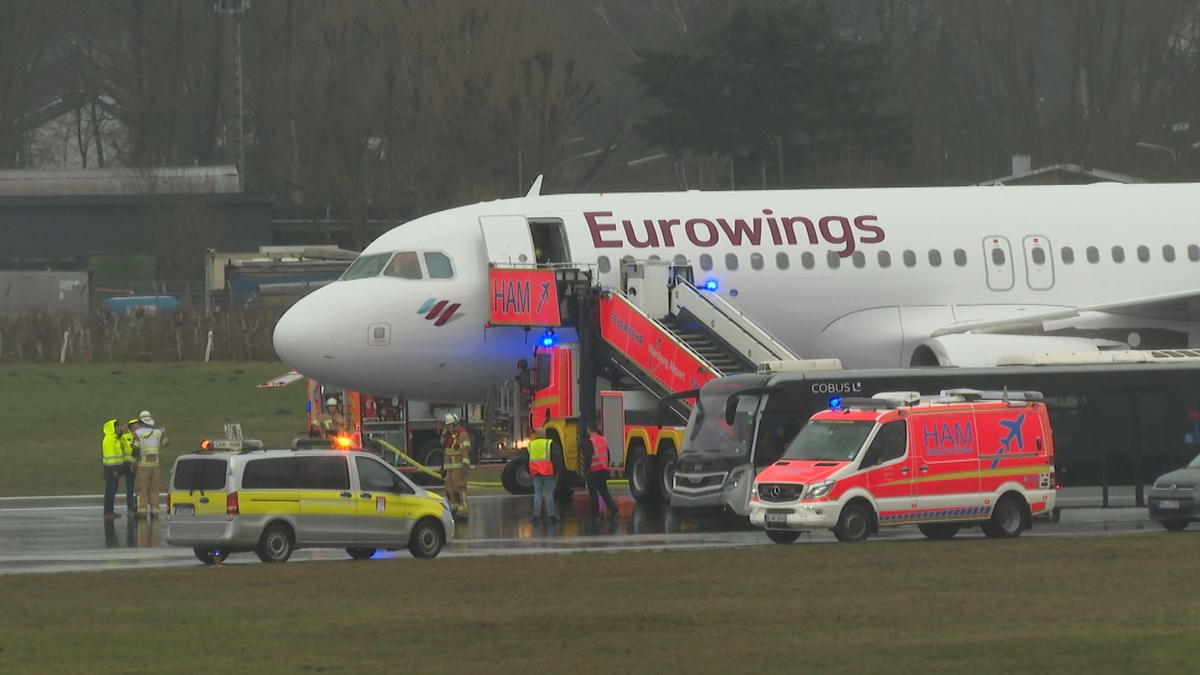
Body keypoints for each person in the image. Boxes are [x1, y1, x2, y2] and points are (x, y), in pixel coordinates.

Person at [133, 410, 169, 519]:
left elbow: (135, 450)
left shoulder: (138, 433)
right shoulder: (158, 433)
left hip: (143, 466)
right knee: (154, 490)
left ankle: (142, 513)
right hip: (155, 466)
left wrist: (133, 464)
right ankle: (155, 512)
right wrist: (162, 433)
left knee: (142, 490)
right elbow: (166, 443)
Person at [584, 421, 619, 520]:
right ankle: (614, 511)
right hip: (603, 469)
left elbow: (588, 457)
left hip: (593, 470)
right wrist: (605, 465)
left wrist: (586, 469)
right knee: (604, 491)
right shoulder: (603, 440)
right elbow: (608, 454)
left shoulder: (590, 441)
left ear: (588, 429)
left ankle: (595, 515)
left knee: (593, 493)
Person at [441, 413, 471, 520]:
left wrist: (464, 464)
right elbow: (444, 446)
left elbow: (465, 450)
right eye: (447, 425)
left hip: (458, 467)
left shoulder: (462, 435)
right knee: (449, 488)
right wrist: (443, 435)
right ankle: (454, 507)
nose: (448, 427)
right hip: (450, 468)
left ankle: (463, 510)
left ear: (455, 424)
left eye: (449, 425)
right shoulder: (449, 435)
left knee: (460, 487)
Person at [527, 427, 557, 522]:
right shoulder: (549, 443)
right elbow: (556, 458)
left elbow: (526, 459)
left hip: (536, 473)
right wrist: (556, 471)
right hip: (548, 472)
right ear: (545, 434)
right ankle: (551, 516)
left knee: (537, 495)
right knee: (549, 494)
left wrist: (529, 471)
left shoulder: (531, 444)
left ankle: (536, 515)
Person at [101, 419, 128, 519]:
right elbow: (110, 455)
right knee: (110, 491)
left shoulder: (114, 438)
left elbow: (119, 438)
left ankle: (110, 511)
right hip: (111, 469)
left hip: (114, 469)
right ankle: (108, 512)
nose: (119, 427)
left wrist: (122, 431)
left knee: (113, 490)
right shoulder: (109, 439)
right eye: (117, 426)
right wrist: (114, 470)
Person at [119, 418, 140, 516]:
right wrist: (122, 430)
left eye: (138, 426)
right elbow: (116, 438)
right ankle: (130, 509)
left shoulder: (141, 436)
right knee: (130, 489)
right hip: (128, 465)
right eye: (134, 426)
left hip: (139, 465)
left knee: (140, 488)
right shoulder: (125, 436)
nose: (136, 428)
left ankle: (139, 507)